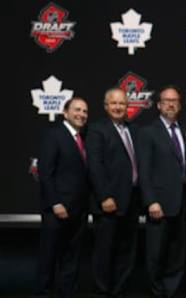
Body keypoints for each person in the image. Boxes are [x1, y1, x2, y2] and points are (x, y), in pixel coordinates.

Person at [86, 88, 140, 298]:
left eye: (122, 104)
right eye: (114, 103)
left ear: (128, 107)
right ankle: (102, 292)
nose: (118, 107)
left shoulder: (133, 130)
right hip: (109, 202)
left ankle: (120, 291)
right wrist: (105, 196)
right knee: (104, 253)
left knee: (126, 252)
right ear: (106, 106)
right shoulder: (97, 130)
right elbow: (95, 166)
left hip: (132, 201)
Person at [34, 97, 90, 298]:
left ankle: (67, 293)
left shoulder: (83, 138)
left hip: (78, 210)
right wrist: (56, 202)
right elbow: (45, 172)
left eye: (84, 111)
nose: (81, 114)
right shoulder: (54, 135)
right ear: (65, 113)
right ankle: (43, 293)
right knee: (49, 256)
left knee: (71, 257)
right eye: (77, 110)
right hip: (56, 210)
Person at [138, 85, 186, 298]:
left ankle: (171, 291)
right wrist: (151, 201)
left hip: (182, 203)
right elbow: (144, 170)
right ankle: (156, 293)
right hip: (159, 203)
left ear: (180, 105)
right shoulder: (148, 132)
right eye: (166, 100)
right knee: (156, 254)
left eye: (175, 100)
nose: (171, 104)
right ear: (158, 105)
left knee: (177, 254)